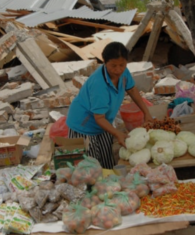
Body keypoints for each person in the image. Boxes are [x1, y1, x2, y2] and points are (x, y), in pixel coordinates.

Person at [66, 41, 154, 169]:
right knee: (88, 169)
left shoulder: (124, 72)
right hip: (84, 123)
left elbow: (132, 90)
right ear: (104, 62)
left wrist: (147, 113)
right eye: (113, 66)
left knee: (107, 163)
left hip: (104, 122)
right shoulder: (99, 84)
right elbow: (99, 118)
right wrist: (118, 133)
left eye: (122, 65)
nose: (118, 70)